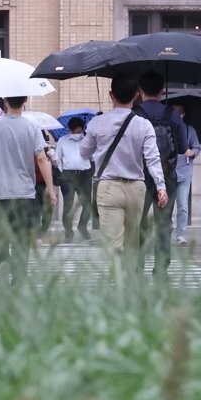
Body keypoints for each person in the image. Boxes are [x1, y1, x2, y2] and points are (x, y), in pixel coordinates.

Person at [80, 76, 168, 267]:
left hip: (109, 187)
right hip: (136, 187)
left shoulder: (97, 122)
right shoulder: (144, 125)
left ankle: (117, 286)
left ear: (111, 95)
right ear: (136, 95)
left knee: (113, 245)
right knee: (131, 244)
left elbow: (84, 153)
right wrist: (161, 186)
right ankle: (128, 285)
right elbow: (152, 158)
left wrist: (97, 138)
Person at [0, 96, 56, 283]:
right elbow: (42, 159)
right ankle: (19, 275)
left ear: (5, 101)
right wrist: (51, 189)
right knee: (22, 236)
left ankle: (2, 261)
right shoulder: (33, 127)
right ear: (25, 100)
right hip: (24, 193)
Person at [135, 71, 191, 279]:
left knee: (138, 222)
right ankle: (160, 269)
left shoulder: (135, 113)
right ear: (162, 91)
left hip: (140, 176)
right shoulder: (173, 115)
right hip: (167, 177)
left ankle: (137, 266)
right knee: (164, 223)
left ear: (140, 91)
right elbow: (182, 148)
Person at [55, 116, 93, 242]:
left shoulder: (88, 140)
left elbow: (94, 157)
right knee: (68, 205)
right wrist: (61, 172)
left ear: (83, 129)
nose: (77, 134)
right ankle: (68, 231)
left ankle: (82, 226)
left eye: (79, 131)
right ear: (69, 130)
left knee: (87, 204)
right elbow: (58, 159)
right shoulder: (62, 141)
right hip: (68, 176)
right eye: (74, 132)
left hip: (85, 175)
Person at [170, 102, 200, 246]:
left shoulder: (190, 130)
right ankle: (165, 230)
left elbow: (197, 147)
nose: (178, 115)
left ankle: (180, 234)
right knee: (166, 205)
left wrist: (192, 153)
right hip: (168, 171)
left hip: (185, 171)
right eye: (175, 112)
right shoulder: (167, 128)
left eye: (180, 112)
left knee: (182, 205)